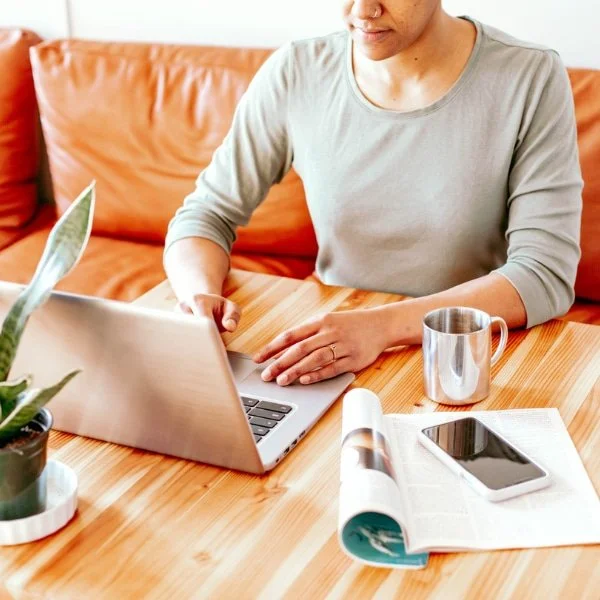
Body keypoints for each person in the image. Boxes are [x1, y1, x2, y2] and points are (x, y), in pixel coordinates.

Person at [163, 1, 582, 387]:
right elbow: (204, 215)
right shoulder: (298, 70)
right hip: (332, 354)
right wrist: (198, 294)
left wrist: (380, 328)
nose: (363, 10)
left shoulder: (529, 76)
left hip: (468, 360)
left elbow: (545, 274)